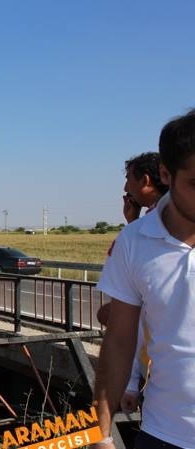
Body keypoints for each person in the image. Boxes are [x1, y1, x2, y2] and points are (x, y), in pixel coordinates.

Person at [93, 109, 195, 449]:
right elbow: (120, 341)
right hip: (166, 433)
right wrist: (101, 433)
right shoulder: (134, 242)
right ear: (166, 174)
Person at [97, 151, 170, 413]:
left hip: (156, 372)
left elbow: (132, 324)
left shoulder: (141, 234)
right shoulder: (152, 226)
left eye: (129, 180)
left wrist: (129, 384)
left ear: (148, 180)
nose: (126, 188)